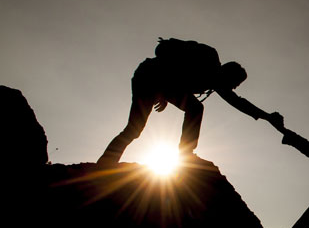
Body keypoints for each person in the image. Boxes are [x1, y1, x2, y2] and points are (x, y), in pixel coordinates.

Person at [98, 38, 281, 165]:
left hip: (158, 82)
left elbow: (238, 102)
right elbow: (167, 59)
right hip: (148, 76)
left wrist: (266, 116)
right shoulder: (208, 57)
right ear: (228, 74)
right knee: (134, 129)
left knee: (194, 108)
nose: (232, 89)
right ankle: (106, 164)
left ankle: (186, 154)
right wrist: (162, 92)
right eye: (234, 84)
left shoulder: (216, 81)